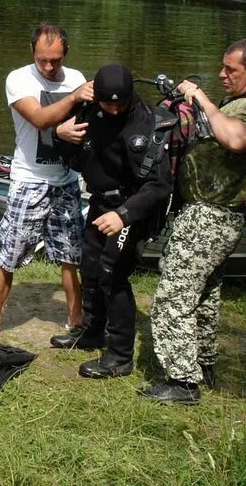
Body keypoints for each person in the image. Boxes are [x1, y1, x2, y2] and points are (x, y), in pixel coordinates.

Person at [142, 39, 246, 404]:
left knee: (174, 295)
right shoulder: (239, 104)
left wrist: (200, 98)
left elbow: (235, 139)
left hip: (210, 217)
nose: (222, 75)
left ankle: (183, 382)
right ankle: (203, 364)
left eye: (230, 70)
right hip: (213, 216)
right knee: (203, 296)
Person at [54, 64, 174, 378]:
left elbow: (160, 186)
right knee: (90, 268)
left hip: (129, 208)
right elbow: (71, 153)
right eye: (109, 103)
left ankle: (120, 356)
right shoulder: (91, 111)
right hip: (100, 202)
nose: (116, 108)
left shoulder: (146, 123)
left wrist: (123, 215)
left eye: (121, 103)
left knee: (112, 273)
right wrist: (61, 134)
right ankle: (92, 332)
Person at [0, 23, 94, 340]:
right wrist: (63, 123)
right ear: (32, 51)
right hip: (29, 179)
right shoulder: (19, 78)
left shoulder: (77, 78)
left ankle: (76, 320)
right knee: (9, 254)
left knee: (71, 256)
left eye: (55, 60)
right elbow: (40, 118)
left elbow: (83, 123)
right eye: (43, 59)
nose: (48, 66)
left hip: (67, 180)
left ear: (65, 54)